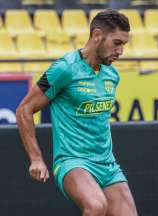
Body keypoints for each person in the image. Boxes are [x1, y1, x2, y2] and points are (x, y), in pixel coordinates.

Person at [16, 9, 138, 216]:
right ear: (97, 35)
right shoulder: (64, 69)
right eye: (117, 43)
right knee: (96, 206)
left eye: (123, 45)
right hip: (72, 162)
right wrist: (36, 159)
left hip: (107, 164)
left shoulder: (112, 75)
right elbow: (24, 110)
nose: (121, 51)